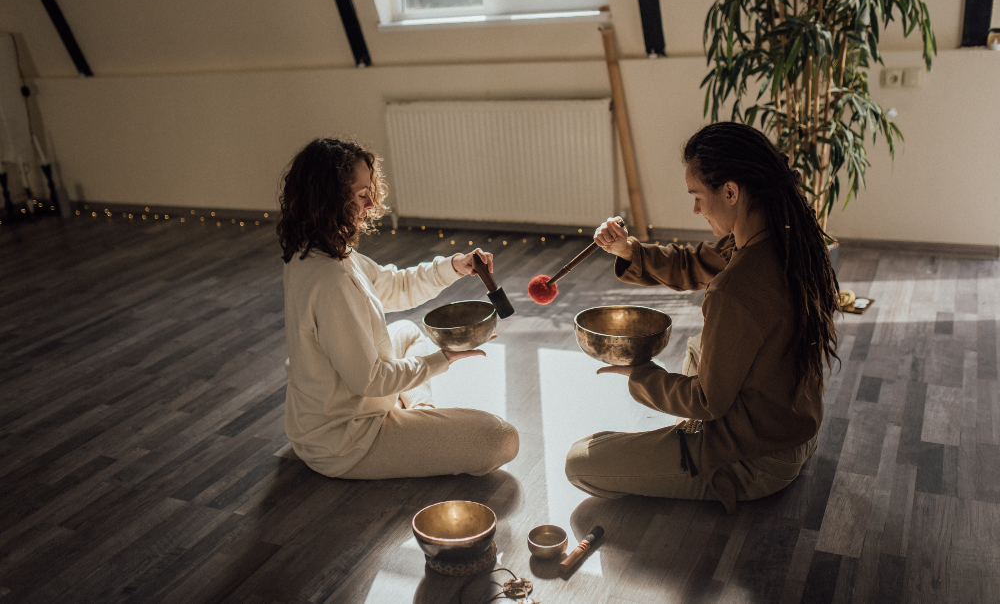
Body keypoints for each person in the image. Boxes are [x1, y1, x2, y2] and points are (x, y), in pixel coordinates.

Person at [564, 122, 839, 513]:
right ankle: (681, 442)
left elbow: (708, 401)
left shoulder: (736, 288)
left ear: (730, 191)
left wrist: (640, 374)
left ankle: (693, 450)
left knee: (581, 461)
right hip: (795, 429)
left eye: (697, 196)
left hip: (754, 460)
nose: (694, 208)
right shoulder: (783, 236)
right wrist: (629, 250)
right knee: (699, 346)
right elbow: (692, 263)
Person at [277, 137, 518, 480]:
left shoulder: (321, 251)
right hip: (347, 442)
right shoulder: (330, 279)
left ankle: (420, 414)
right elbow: (371, 380)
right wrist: (443, 358)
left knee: (404, 330)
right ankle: (418, 422)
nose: (371, 201)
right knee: (501, 438)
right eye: (361, 194)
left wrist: (455, 266)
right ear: (329, 200)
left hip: (323, 414)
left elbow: (396, 286)